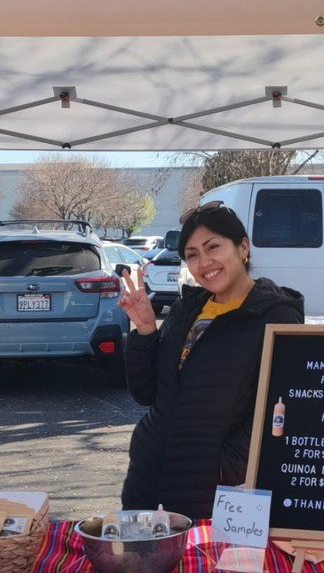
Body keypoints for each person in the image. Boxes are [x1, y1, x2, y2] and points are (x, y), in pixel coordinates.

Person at [118, 203, 304, 519]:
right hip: (147, 479)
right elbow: (146, 394)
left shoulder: (276, 315)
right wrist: (146, 330)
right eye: (192, 254)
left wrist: (225, 468)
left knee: (207, 568)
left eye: (212, 247)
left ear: (243, 247)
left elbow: (279, 409)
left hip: (213, 492)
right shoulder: (186, 308)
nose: (204, 263)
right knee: (141, 562)